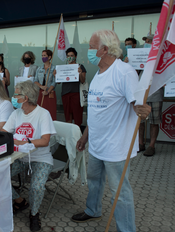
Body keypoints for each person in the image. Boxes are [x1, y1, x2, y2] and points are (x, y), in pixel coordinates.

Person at [70, 30, 151, 232]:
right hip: (96, 144)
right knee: (95, 181)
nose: (87, 50)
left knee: (120, 192)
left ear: (104, 49)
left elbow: (137, 105)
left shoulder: (124, 72)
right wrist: (85, 136)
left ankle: (126, 229)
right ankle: (93, 210)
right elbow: (97, 111)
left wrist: (144, 110)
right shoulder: (98, 73)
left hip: (116, 147)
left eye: (91, 46)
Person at [2, 80, 56, 232]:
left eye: (15, 94)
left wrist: (25, 140)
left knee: (37, 187)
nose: (12, 97)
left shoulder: (43, 114)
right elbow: (5, 133)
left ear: (25, 98)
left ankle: (34, 214)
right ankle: (19, 201)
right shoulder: (16, 113)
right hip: (20, 157)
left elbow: (45, 141)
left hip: (40, 158)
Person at [138, 34, 162, 157]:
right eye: (146, 41)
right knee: (140, 121)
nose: (146, 43)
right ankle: (141, 144)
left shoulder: (160, 56)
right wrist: (129, 62)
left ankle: (151, 146)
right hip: (141, 93)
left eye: (149, 41)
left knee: (154, 121)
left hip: (155, 92)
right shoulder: (140, 55)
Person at [61, 47, 87, 126]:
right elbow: (58, 82)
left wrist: (80, 73)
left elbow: (83, 80)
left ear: (75, 56)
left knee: (77, 117)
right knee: (68, 117)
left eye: (72, 55)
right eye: (68, 56)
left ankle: (78, 135)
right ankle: (69, 136)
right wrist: (56, 74)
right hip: (65, 94)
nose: (70, 57)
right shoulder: (63, 68)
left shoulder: (80, 66)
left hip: (76, 94)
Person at [34, 50, 57, 120]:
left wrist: (47, 91)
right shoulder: (39, 68)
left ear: (49, 57)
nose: (43, 57)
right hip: (41, 93)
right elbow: (35, 80)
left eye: (44, 55)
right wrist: (41, 86)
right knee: (40, 112)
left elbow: (54, 82)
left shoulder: (54, 68)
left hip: (49, 93)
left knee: (51, 113)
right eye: (42, 55)